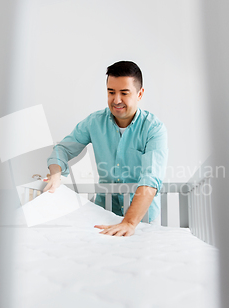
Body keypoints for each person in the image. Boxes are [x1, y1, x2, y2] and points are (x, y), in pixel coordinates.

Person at [43, 61, 168, 237]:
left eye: (124, 93)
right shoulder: (94, 122)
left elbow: (150, 179)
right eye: (111, 92)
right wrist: (56, 174)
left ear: (140, 94)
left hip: (142, 219)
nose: (116, 100)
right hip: (103, 214)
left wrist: (129, 223)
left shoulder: (154, 129)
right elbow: (63, 149)